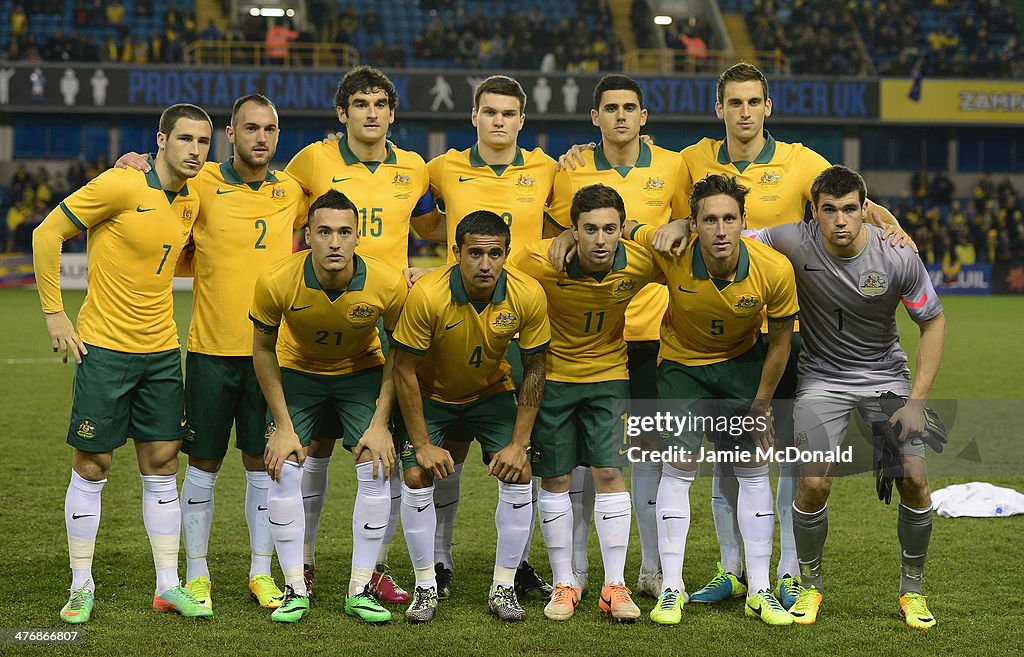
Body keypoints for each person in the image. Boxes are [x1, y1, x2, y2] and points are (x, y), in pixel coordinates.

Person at [657, 62, 910, 609]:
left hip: (795, 334)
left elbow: (853, 201)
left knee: (797, 459)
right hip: (727, 338)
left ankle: (791, 571)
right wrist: (678, 223)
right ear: (718, 108)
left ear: (767, 107)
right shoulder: (691, 161)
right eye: (734, 102)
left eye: (753, 102)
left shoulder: (802, 163)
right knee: (732, 459)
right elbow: (678, 217)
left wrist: (892, 225)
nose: (744, 112)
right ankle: (734, 570)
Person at [113, 94, 309, 612]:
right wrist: (131, 162)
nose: (261, 138)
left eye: (269, 129)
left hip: (269, 355)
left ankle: (260, 573)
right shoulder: (200, 183)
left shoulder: (291, 189)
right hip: (209, 350)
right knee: (201, 465)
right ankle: (197, 576)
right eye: (251, 129)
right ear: (230, 134)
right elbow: (155, 184)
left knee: (261, 464)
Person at [33, 103, 213, 624]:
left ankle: (167, 585)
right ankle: (80, 585)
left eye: (203, 142)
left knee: (161, 466)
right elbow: (47, 234)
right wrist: (53, 315)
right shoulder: (120, 183)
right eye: (184, 139)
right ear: (160, 141)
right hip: (104, 350)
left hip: (160, 352)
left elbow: (172, 253)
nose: (195, 151)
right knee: (93, 465)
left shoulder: (192, 199)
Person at [750, 166, 945, 630]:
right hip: (821, 378)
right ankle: (810, 583)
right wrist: (682, 224)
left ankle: (912, 591)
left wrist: (916, 401)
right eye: (829, 210)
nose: (840, 220)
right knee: (814, 483)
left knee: (914, 479)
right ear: (813, 212)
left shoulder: (896, 257)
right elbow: (734, 235)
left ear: (866, 210)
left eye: (851, 210)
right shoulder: (792, 240)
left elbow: (932, 323)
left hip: (887, 378)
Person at [285, 65, 438, 603]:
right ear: (342, 113)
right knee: (312, 451)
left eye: (380, 104)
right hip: (318, 323)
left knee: (384, 458)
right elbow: (278, 213)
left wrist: (433, 270)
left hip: (382, 331)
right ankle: (299, 565)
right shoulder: (313, 160)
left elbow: (434, 226)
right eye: (360, 103)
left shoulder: (415, 168)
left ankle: (370, 570)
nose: (371, 112)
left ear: (392, 113)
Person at [631, 174, 798, 626]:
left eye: (729, 219)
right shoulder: (672, 253)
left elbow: (781, 341)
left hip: (742, 365)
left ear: (745, 221)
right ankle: (671, 587)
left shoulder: (773, 269)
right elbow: (627, 226)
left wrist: (761, 407)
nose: (721, 230)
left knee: (753, 469)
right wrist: (571, 233)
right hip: (682, 367)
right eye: (709, 220)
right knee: (679, 466)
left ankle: (759, 589)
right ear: (694, 225)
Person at [418, 74, 558, 601]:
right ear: (473, 117)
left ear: (522, 120)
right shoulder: (441, 168)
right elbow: (430, 226)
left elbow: (570, 221)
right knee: (448, 446)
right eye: (489, 112)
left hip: (522, 321)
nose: (499, 121)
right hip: (456, 317)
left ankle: (517, 567)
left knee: (524, 452)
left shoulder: (548, 168)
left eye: (508, 113)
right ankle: (441, 560)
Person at [548, 73, 688, 598]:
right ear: (595, 118)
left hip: (654, 335)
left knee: (649, 455)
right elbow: (557, 237)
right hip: (588, 341)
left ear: (644, 116)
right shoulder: (571, 170)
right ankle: (578, 570)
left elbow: (688, 227)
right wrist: (562, 231)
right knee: (586, 460)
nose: (621, 116)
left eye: (630, 107)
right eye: (611, 108)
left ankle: (651, 567)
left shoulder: (673, 166)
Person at [250, 189, 408, 623]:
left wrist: (379, 423)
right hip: (299, 374)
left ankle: (360, 588)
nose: (334, 242)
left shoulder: (387, 282)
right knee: (283, 466)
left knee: (377, 462)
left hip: (361, 373)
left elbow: (399, 353)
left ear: (359, 236)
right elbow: (263, 351)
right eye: (323, 232)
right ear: (307, 236)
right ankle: (295, 588)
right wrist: (283, 426)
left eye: (343, 232)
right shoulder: (277, 279)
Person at [391, 211, 550, 623]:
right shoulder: (428, 295)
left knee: (520, 472)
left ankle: (504, 586)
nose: (485, 264)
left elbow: (534, 368)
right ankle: (425, 585)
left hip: (489, 394)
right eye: (475, 253)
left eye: (495, 254)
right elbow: (403, 369)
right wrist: (423, 444)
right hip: (432, 396)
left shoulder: (526, 293)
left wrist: (519, 445)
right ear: (456, 252)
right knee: (415, 476)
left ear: (506, 255)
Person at [510, 184, 660, 622]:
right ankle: (565, 584)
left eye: (610, 228)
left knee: (610, 472)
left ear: (621, 230)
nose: (600, 239)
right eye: (589, 229)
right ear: (572, 230)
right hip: (552, 378)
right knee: (556, 479)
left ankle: (615, 585)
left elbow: (684, 263)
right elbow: (496, 272)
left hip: (611, 374)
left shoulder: (640, 262)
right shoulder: (537, 260)